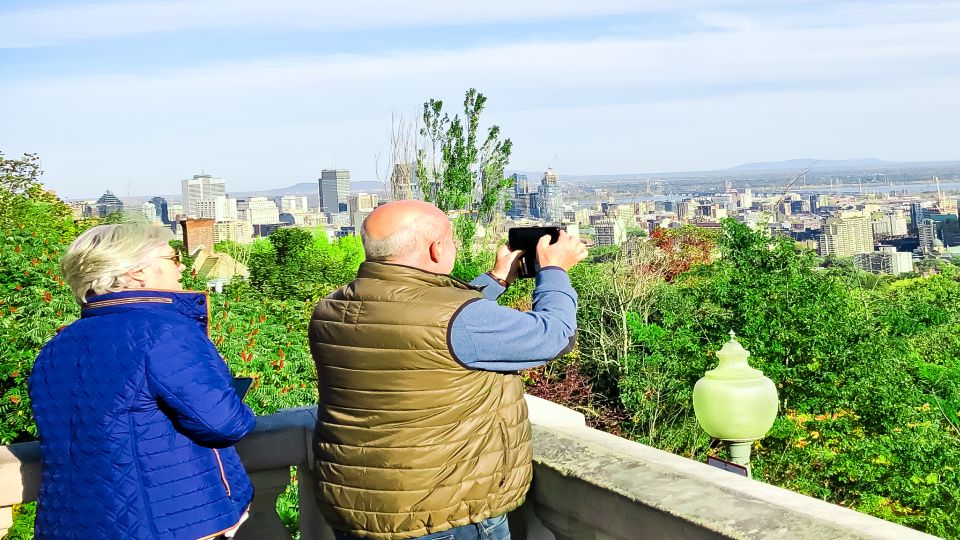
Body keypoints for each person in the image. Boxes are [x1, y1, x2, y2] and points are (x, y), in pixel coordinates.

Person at [308, 200, 587, 540]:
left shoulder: (332, 308)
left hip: (357, 508)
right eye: (452, 239)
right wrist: (554, 271)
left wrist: (495, 279)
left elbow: (427, 323)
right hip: (443, 515)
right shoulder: (458, 321)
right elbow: (554, 336)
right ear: (436, 249)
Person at [28, 224, 256, 540]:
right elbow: (223, 423)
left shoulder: (57, 346)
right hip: (169, 523)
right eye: (174, 258)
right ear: (137, 272)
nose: (182, 268)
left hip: (69, 522)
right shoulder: (166, 331)